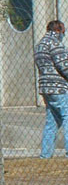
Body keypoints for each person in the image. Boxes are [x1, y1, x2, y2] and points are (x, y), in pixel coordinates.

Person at [34, 20, 68, 158]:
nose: (63, 35)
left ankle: (45, 154)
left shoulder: (40, 45)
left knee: (52, 120)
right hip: (58, 87)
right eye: (63, 32)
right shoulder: (54, 44)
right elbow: (64, 66)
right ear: (58, 30)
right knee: (67, 116)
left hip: (46, 87)